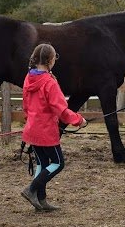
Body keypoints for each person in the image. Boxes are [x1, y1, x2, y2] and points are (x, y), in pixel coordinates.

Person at [20, 43, 86, 211]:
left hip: (32, 129)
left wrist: (31, 120)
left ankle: (40, 201)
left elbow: (26, 106)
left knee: (42, 164)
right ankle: (31, 189)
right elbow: (61, 110)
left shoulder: (29, 78)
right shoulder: (49, 83)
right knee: (58, 163)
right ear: (50, 60)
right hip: (46, 131)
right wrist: (78, 120)